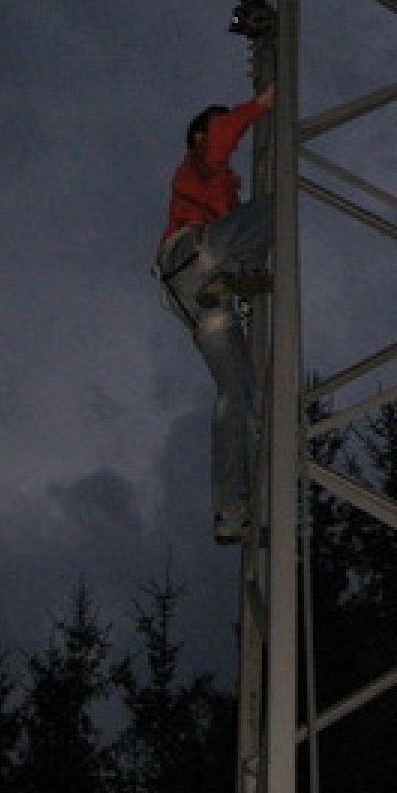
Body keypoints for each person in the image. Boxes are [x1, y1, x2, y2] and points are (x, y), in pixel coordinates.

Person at [155, 84, 274, 544]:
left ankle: (231, 513)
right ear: (199, 138)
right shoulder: (199, 165)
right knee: (279, 205)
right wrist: (260, 106)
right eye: (216, 128)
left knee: (237, 395)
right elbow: (221, 136)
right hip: (193, 254)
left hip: (201, 302)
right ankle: (237, 277)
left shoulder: (225, 197)